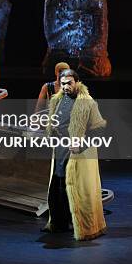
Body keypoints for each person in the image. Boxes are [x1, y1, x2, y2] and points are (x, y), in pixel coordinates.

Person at [42, 69, 107, 241]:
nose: (65, 86)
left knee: (80, 192)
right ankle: (58, 223)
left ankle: (86, 227)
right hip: (60, 150)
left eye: (69, 83)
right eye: (62, 83)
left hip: (79, 154)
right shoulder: (57, 100)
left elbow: (99, 129)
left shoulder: (88, 102)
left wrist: (81, 144)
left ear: (77, 82)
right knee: (58, 187)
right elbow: (54, 124)